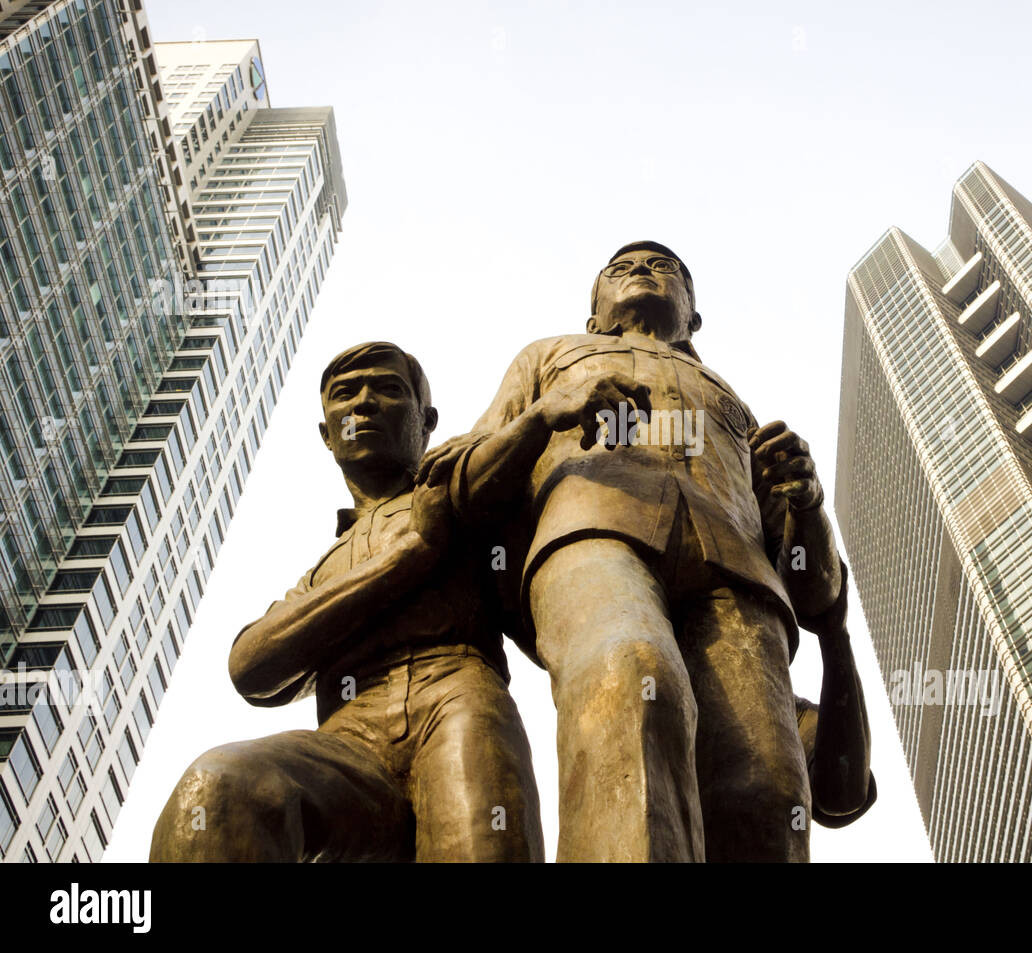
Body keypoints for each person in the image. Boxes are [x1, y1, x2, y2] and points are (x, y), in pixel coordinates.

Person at [432, 241, 860, 861]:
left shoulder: (733, 401)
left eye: (666, 268)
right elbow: (456, 485)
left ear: (694, 315)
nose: (642, 269)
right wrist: (547, 413)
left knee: (766, 783)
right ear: (592, 313)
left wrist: (808, 502)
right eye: (621, 266)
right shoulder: (549, 357)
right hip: (593, 538)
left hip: (738, 577)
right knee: (630, 678)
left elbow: (815, 589)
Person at [149, 342, 543, 862]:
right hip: (349, 740)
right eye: (344, 395)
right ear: (326, 436)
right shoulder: (322, 570)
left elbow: (552, 621)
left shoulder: (470, 508)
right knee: (221, 787)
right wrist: (411, 554)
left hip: (459, 702)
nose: (363, 403)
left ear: (427, 422)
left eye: (388, 388)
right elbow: (251, 667)